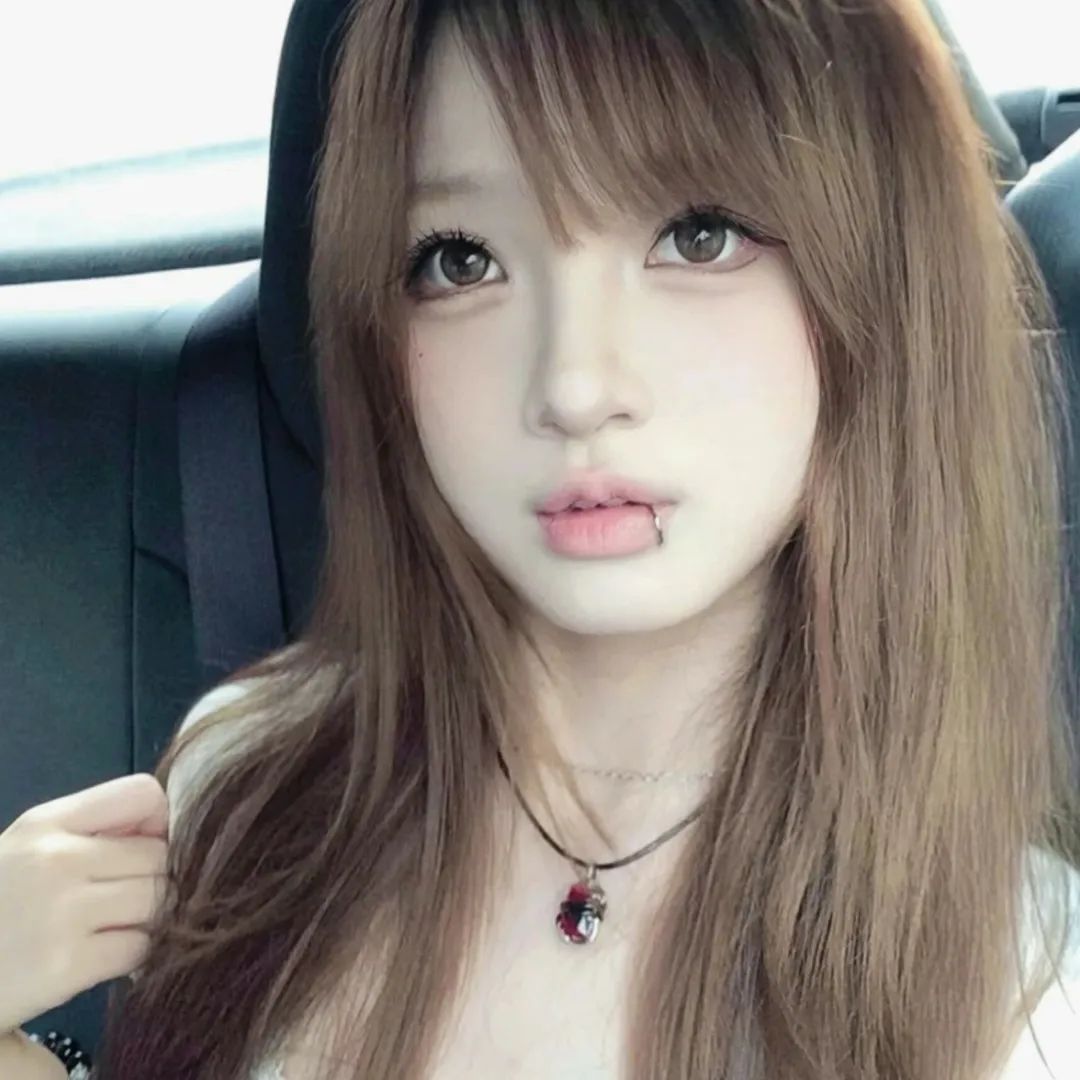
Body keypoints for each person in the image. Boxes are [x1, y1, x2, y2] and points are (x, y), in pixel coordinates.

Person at [2, 0, 1079, 1077]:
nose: (571, 385)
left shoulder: (1023, 989)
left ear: (883, 281)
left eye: (698, 236)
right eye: (461, 261)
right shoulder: (248, 788)